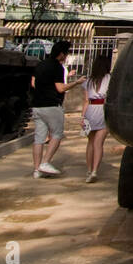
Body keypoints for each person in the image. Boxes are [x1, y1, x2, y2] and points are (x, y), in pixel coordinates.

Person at [30, 41, 83, 178]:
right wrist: (76, 82)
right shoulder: (57, 67)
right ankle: (45, 162)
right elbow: (60, 88)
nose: (66, 57)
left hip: (37, 105)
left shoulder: (40, 64)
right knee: (57, 134)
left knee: (39, 138)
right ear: (61, 54)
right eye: (66, 54)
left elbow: (33, 83)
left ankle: (37, 169)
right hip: (52, 105)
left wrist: (43, 89)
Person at [80, 53, 111, 183]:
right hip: (102, 110)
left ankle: (89, 169)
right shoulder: (110, 78)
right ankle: (94, 171)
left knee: (90, 143)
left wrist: (82, 116)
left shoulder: (88, 81)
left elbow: (86, 100)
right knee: (99, 143)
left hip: (90, 111)